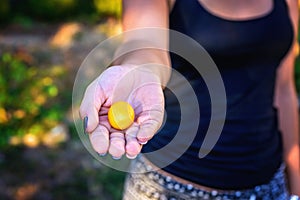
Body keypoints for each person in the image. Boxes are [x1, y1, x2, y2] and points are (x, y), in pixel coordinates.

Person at [80, 0, 300, 199]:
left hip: (267, 185)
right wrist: (138, 69)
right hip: (171, 186)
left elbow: (283, 89)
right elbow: (144, 42)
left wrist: (297, 184)